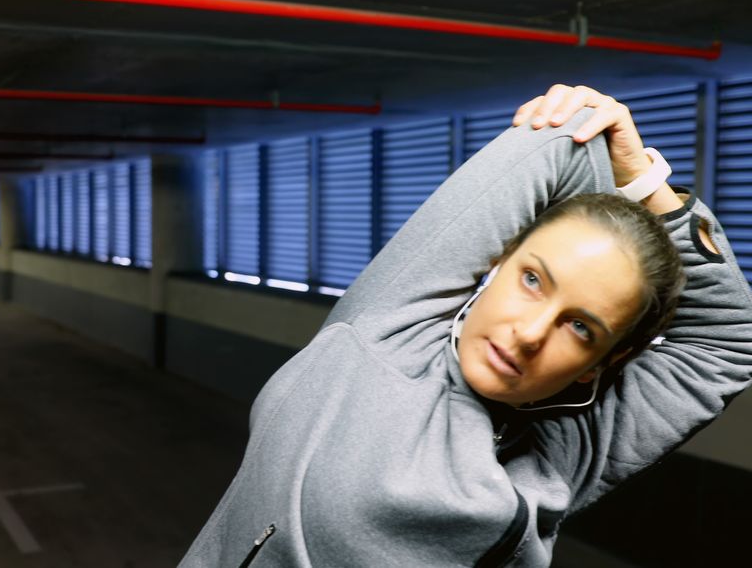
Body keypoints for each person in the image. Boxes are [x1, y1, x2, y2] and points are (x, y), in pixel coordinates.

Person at [180, 84, 752, 567]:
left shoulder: (565, 453)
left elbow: (731, 340)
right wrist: (631, 168)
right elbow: (562, 144)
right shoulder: (385, 333)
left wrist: (648, 194)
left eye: (580, 328)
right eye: (533, 280)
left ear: (599, 367)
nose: (530, 334)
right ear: (494, 265)